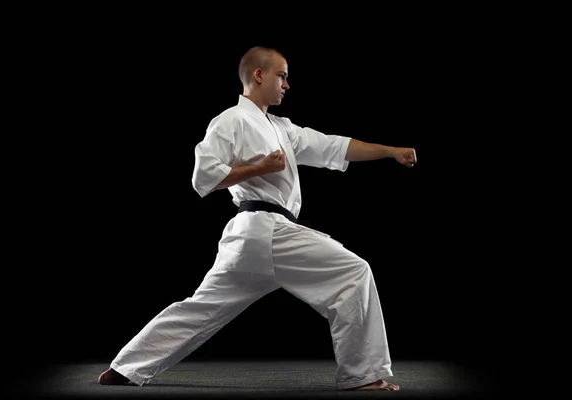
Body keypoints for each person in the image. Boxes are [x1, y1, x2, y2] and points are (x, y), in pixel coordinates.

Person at [98, 45, 416, 391]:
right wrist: (259, 168)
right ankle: (363, 376)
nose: (287, 84)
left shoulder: (281, 128)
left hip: (253, 239)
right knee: (353, 272)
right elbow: (203, 177)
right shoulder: (232, 120)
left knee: (202, 308)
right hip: (265, 227)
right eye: (282, 75)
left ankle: (125, 367)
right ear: (259, 75)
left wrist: (389, 152)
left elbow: (331, 146)